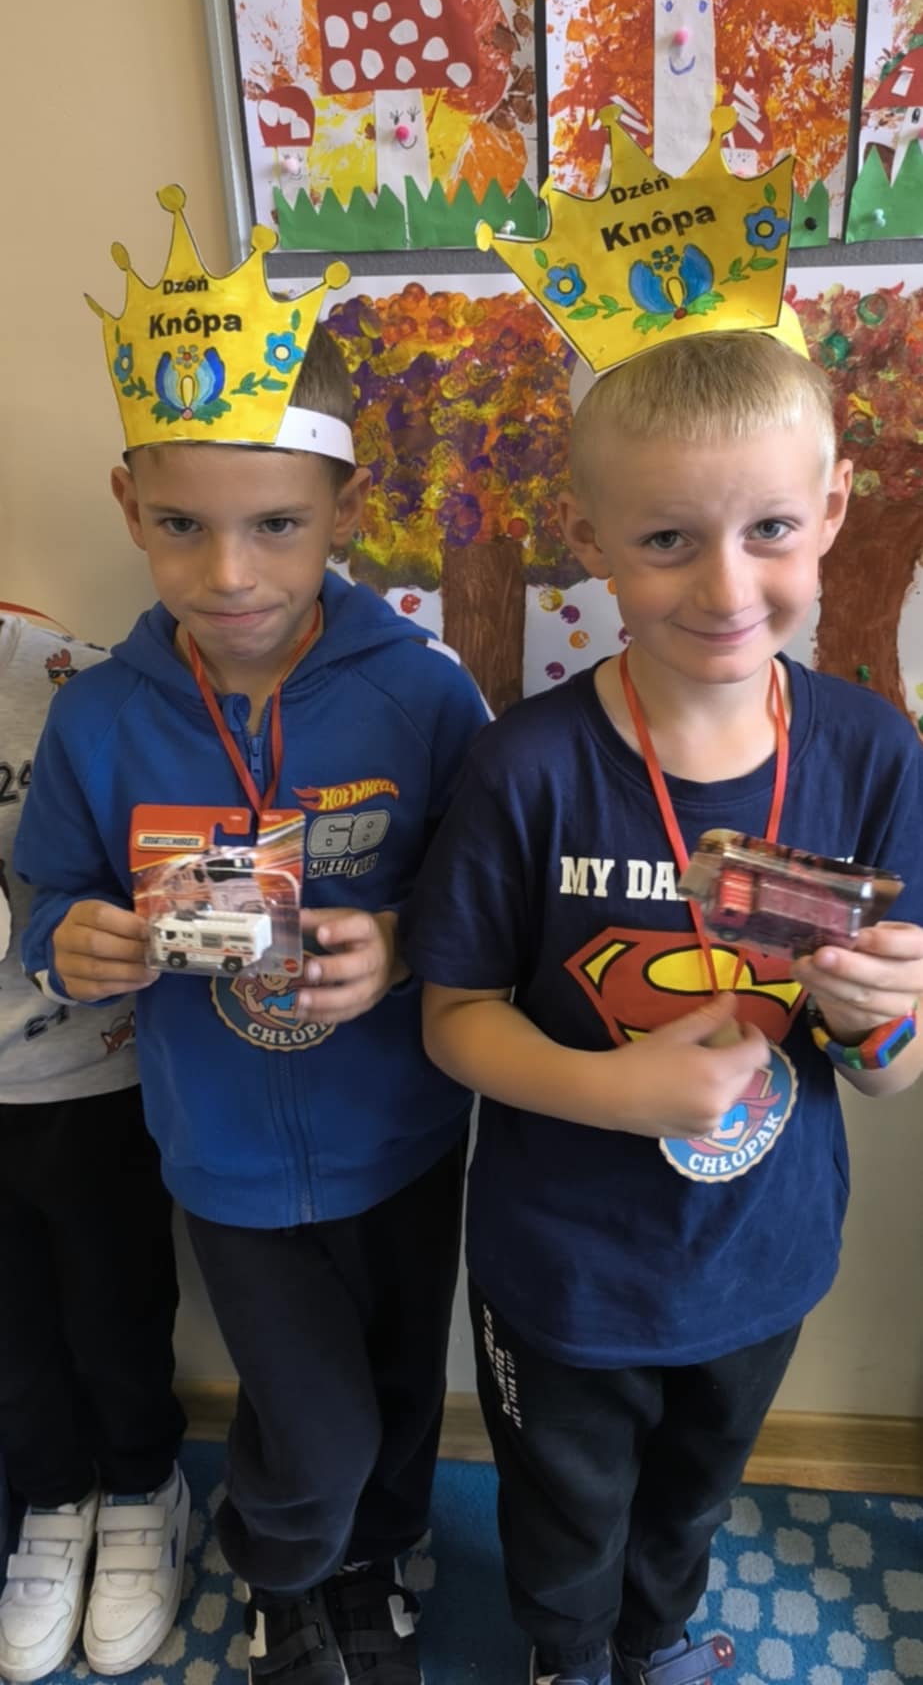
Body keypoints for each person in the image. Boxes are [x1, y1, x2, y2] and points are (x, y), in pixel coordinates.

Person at [15, 190, 487, 1685]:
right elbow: (46, 893)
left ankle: (374, 1558)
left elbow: (484, 897)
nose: (229, 573)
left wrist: (400, 940)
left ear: (344, 507)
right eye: (183, 525)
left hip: (406, 1131)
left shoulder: (422, 691)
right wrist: (72, 944)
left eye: (275, 523)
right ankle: (285, 1575)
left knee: (396, 1388)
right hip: (218, 1149)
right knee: (309, 1416)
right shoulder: (100, 715)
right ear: (127, 505)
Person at [405, 324, 923, 1685]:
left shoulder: (872, 752)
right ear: (589, 538)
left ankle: (652, 1636)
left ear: (829, 509)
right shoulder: (523, 766)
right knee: (562, 1508)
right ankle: (568, 1653)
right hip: (561, 1264)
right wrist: (611, 1088)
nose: (725, 584)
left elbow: (886, 1067)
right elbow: (451, 1016)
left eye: (768, 529)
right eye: (665, 540)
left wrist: (877, 1013)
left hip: (764, 1250)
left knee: (692, 1494)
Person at [0, 607, 186, 1684]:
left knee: (116, 1311)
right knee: (12, 1334)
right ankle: (51, 1496)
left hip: (84, 1073)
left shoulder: (69, 679)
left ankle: (141, 1484)